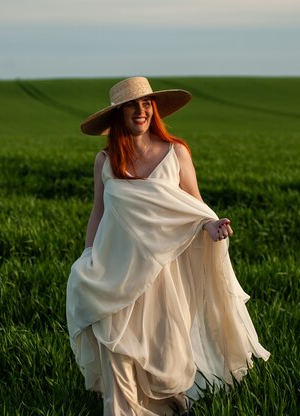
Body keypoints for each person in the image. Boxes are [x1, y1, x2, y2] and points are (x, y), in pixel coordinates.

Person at [66, 77, 270, 415]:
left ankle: (173, 403)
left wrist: (211, 225)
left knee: (165, 346)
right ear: (119, 114)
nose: (141, 110)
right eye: (132, 105)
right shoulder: (105, 160)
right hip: (114, 269)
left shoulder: (176, 152)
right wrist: (88, 256)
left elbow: (194, 204)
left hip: (164, 271)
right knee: (116, 342)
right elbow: (99, 213)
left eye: (146, 104)